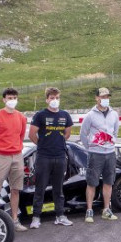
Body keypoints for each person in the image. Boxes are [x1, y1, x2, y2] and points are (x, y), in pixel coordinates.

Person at [28, 87, 74, 228]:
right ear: (47, 99)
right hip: (44, 157)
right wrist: (43, 145)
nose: (55, 100)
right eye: (52, 98)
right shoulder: (40, 115)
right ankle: (36, 217)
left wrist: (57, 143)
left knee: (58, 189)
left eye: (57, 98)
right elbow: (32, 134)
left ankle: (60, 215)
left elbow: (67, 134)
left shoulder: (65, 115)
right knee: (40, 188)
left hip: (60, 156)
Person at [0, 88, 29, 232]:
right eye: (10, 98)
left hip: (17, 155)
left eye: (14, 97)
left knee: (15, 189)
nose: (12, 100)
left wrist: (16, 149)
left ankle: (15, 220)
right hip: (1, 156)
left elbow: (21, 136)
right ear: (4, 99)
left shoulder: (21, 117)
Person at [80, 87, 120, 223]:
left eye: (107, 97)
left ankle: (106, 210)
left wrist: (110, 143)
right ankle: (89, 210)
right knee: (92, 182)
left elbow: (115, 133)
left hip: (110, 153)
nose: (105, 99)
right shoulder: (90, 115)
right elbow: (83, 134)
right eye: (102, 97)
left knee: (109, 182)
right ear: (97, 98)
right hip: (95, 154)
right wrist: (91, 147)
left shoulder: (114, 114)